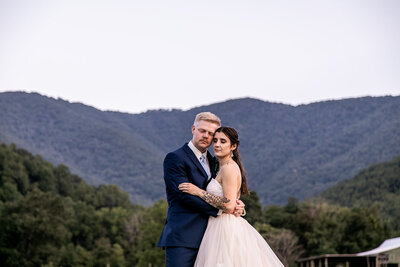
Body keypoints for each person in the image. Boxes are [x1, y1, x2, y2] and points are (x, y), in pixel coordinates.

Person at [179, 126, 284, 267]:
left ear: (233, 146)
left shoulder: (228, 168)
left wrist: (199, 192)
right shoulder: (221, 166)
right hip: (217, 225)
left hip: (224, 227)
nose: (217, 144)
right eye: (215, 140)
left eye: (223, 141)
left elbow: (228, 206)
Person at [157, 112, 245, 267]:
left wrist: (235, 204)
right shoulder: (175, 158)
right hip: (183, 238)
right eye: (202, 131)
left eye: (211, 134)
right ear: (193, 129)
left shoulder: (215, 162)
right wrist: (222, 209)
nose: (206, 136)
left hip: (212, 238)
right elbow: (184, 196)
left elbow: (224, 192)